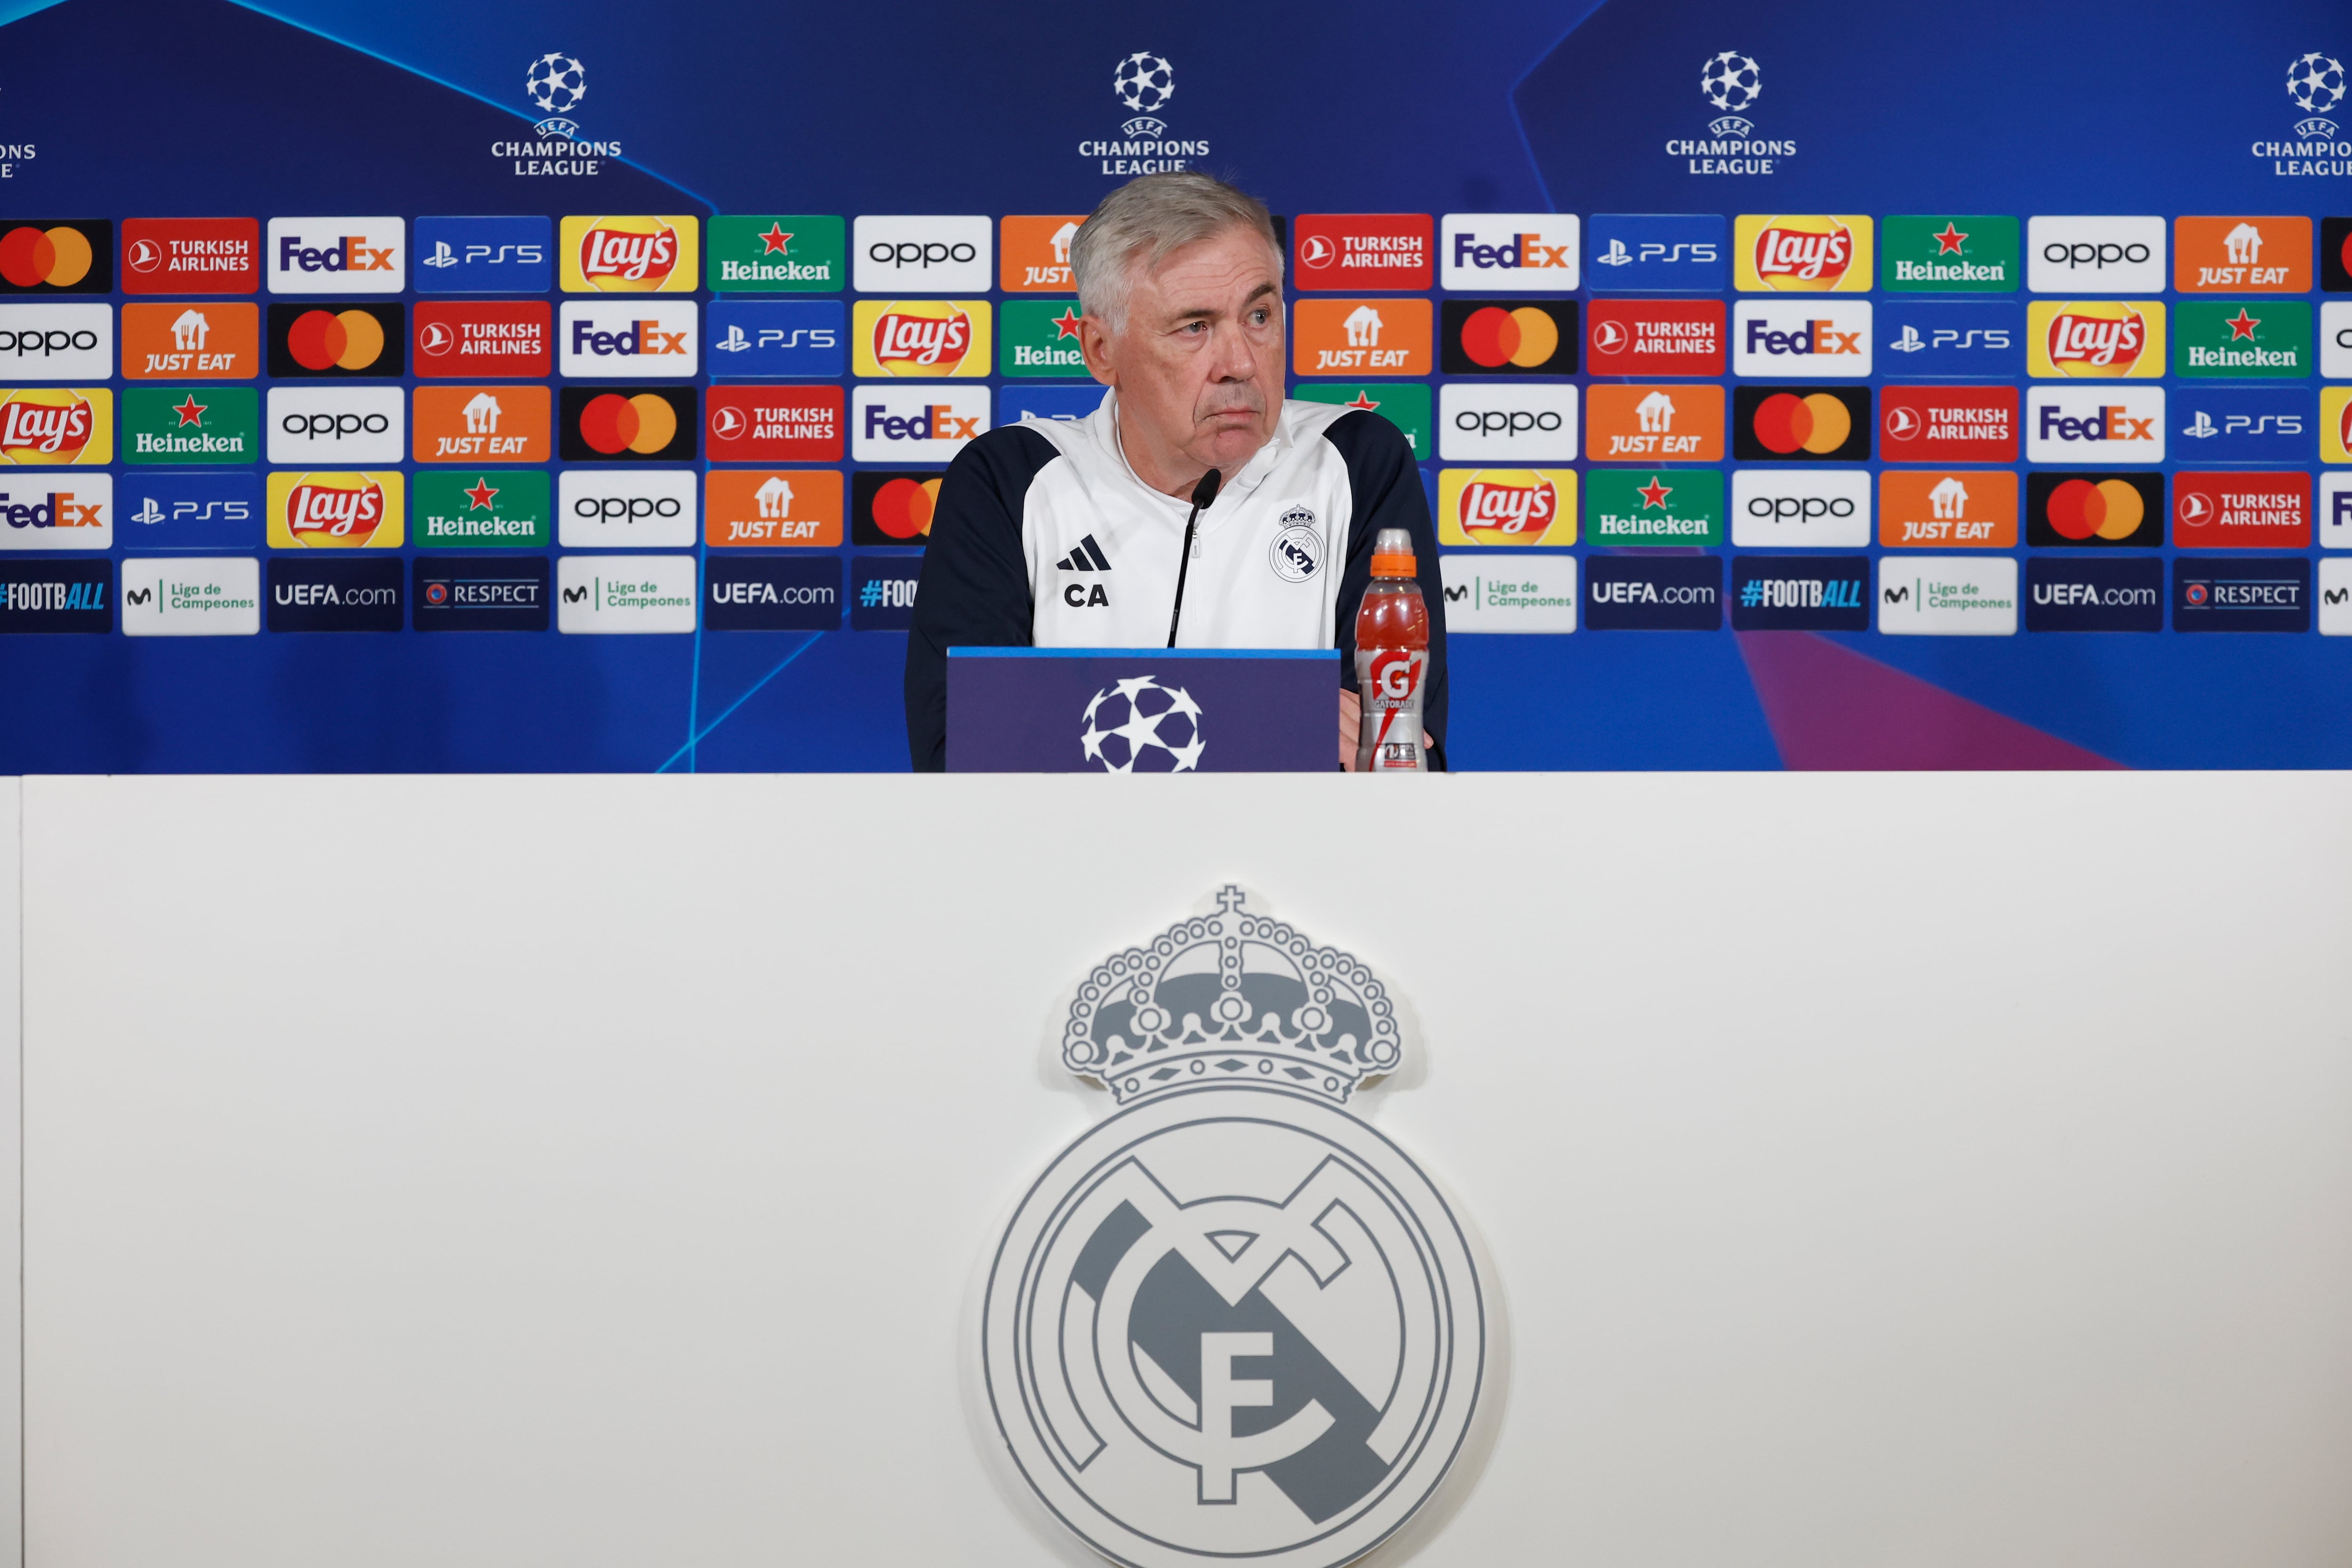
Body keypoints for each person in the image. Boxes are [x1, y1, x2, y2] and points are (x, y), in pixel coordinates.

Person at [902, 171, 1447, 772]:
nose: (1239, 362)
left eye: (1260, 316)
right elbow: (960, 747)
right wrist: (1280, 715)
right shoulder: (1009, 479)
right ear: (1100, 351)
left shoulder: (1356, 460)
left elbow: (1394, 754)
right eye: (1195, 327)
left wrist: (1056, 717)